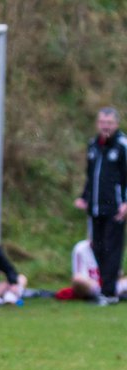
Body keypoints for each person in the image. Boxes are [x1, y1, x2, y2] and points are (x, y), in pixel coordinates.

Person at [75, 107, 127, 305]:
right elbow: (91, 176)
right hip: (95, 208)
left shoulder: (122, 145)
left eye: (109, 123)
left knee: (112, 249)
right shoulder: (93, 145)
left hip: (115, 208)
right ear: (98, 124)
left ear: (116, 124)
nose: (105, 127)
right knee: (98, 247)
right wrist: (84, 197)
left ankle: (109, 293)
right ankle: (106, 287)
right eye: (102, 123)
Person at [61, 238, 126, 304]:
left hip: (110, 285)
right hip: (90, 285)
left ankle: (106, 293)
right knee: (77, 280)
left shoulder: (110, 248)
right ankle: (105, 294)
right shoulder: (81, 248)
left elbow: (118, 274)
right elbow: (79, 277)